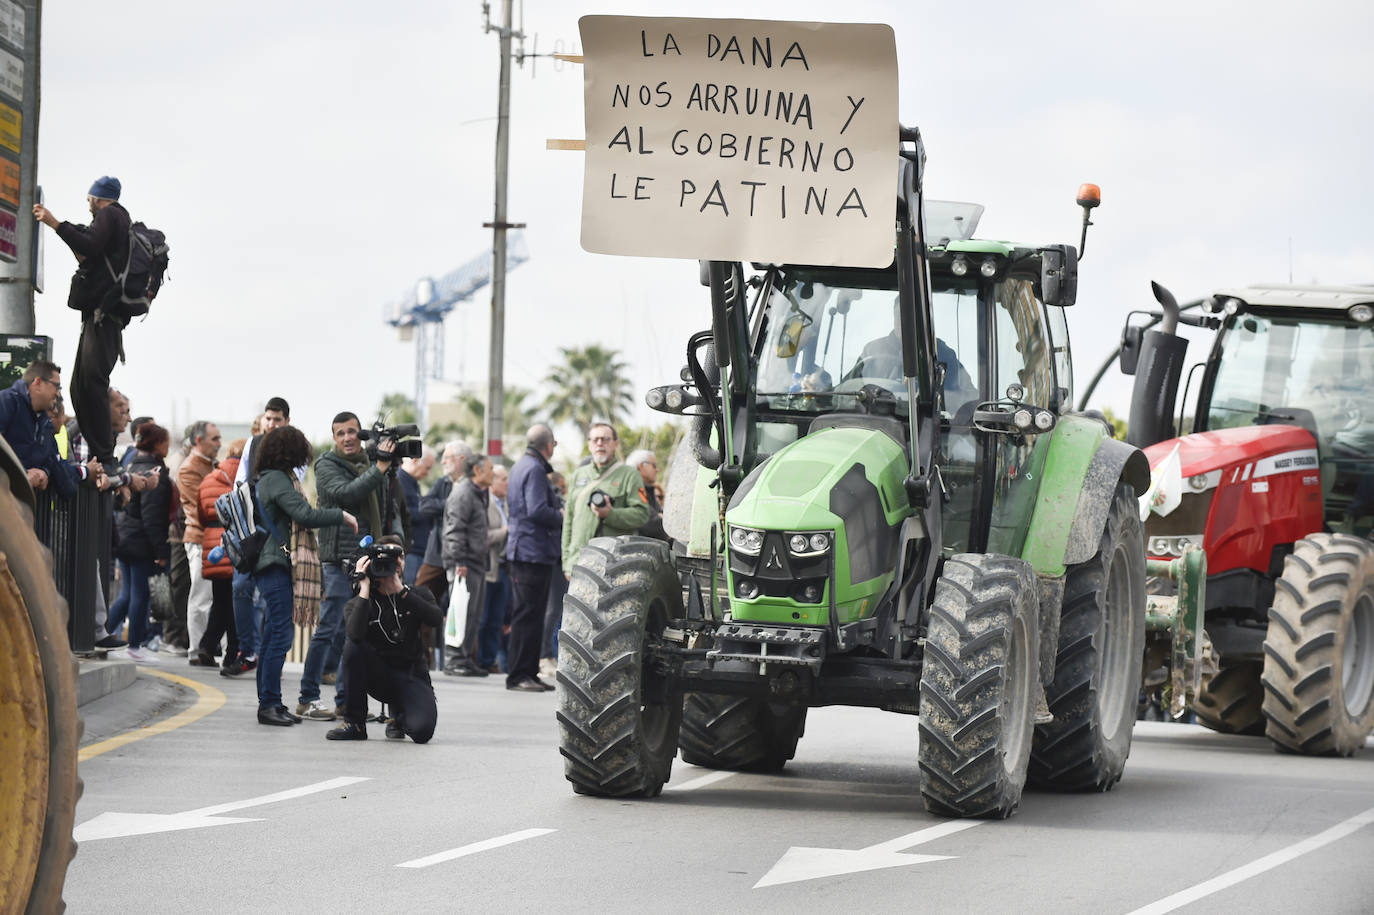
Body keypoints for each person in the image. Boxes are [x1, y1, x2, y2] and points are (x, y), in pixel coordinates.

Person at [295, 411, 400, 721]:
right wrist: (380, 468)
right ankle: (307, 698)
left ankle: (346, 701)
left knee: (353, 634)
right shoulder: (326, 464)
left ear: (361, 433)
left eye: (352, 431)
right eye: (340, 433)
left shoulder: (369, 463)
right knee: (328, 629)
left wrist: (385, 467)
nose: (347, 438)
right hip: (338, 558)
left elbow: (382, 501)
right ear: (334, 437)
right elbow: (345, 495)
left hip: (365, 556)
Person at [250, 425, 355, 726]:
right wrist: (340, 515)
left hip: (275, 562)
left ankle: (271, 701)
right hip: (274, 563)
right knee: (280, 636)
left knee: (273, 635)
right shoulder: (277, 479)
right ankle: (268, 704)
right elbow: (305, 515)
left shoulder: (275, 478)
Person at [33, 177, 132, 474]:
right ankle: (99, 454)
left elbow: (89, 243)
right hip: (101, 316)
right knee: (80, 386)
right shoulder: (116, 221)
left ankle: (105, 458)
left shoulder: (111, 214)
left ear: (97, 198)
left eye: (89, 198)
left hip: (105, 316)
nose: (87, 203)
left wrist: (53, 222)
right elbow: (91, 251)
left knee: (92, 384)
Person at [326, 536, 441, 742]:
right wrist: (364, 588)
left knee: (422, 731)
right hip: (377, 676)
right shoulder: (361, 601)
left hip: (411, 675)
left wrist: (402, 592)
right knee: (353, 647)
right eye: (386, 559)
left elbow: (435, 619)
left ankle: (399, 717)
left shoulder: (417, 594)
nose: (394, 564)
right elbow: (354, 635)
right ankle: (355, 722)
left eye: (399, 557)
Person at [224, 396, 290, 678]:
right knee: (240, 586)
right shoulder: (252, 444)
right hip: (250, 526)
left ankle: (265, 653)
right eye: (268, 418)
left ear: (286, 421)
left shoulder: (293, 447)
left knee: (269, 596)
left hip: (275, 530)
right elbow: (239, 481)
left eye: (277, 419)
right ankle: (246, 650)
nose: (272, 424)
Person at [505, 424, 563, 692]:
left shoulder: (521, 466)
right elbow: (537, 510)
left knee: (530, 614)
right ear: (548, 445)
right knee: (528, 615)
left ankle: (526, 671)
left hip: (526, 550)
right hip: (532, 551)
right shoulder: (536, 469)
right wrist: (561, 515)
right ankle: (519, 675)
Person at [108, 423, 172, 662]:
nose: (168, 446)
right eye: (165, 441)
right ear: (156, 444)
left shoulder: (130, 465)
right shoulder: (154, 472)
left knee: (127, 594)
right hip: (142, 541)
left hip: (124, 535)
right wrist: (161, 550)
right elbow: (152, 515)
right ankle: (135, 645)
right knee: (140, 595)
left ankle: (101, 635)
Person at [0, 360, 99, 497]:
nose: (58, 394)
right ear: (38, 383)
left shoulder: (45, 424)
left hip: (20, 509)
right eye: (56, 387)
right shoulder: (6, 402)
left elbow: (60, 475)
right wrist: (23, 474)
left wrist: (44, 473)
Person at [441, 452, 494, 677]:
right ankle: (454, 660)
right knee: (460, 610)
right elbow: (454, 529)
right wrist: (459, 560)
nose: (493, 473)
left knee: (473, 613)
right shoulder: (463, 492)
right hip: (464, 562)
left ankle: (464, 658)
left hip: (476, 561)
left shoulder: (479, 492)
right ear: (478, 471)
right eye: (490, 468)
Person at [197, 438, 243, 671]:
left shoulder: (208, 479)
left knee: (221, 600)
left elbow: (201, 515)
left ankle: (207, 645)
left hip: (212, 545)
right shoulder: (245, 478)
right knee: (235, 604)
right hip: (236, 542)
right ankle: (232, 653)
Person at [179, 420, 222, 663]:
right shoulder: (190, 468)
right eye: (214, 439)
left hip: (213, 537)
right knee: (201, 595)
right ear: (199, 440)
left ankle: (207, 646)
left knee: (213, 596)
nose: (219, 443)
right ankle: (196, 649)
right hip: (199, 538)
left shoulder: (210, 465)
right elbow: (199, 508)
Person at [478, 464, 510, 673]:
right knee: (483, 617)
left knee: (497, 618)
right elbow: (483, 536)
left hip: (504, 567)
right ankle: (479, 659)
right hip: (487, 568)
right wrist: (505, 531)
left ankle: (489, 661)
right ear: (494, 481)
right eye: (504, 479)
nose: (508, 483)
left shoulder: (505, 504)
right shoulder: (485, 503)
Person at [398, 447, 436, 584]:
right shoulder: (400, 481)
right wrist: (432, 509)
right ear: (415, 460)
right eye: (427, 468)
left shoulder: (412, 483)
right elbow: (406, 514)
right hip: (410, 551)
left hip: (419, 550)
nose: (427, 473)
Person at [626, 448, 668, 541]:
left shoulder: (647, 490)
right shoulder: (633, 489)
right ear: (641, 467)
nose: (657, 470)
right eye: (654, 465)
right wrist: (661, 517)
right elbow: (652, 523)